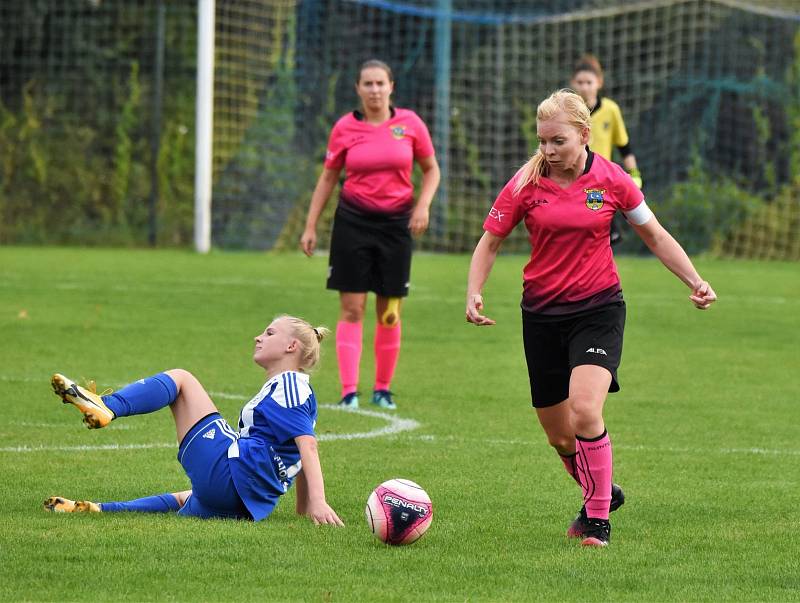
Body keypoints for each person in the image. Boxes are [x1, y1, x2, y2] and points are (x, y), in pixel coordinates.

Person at [465, 90, 716, 547]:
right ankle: (602, 490)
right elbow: (490, 241)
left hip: (598, 309)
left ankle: (597, 520)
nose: (547, 151)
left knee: (585, 410)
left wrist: (695, 280)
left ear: (584, 134)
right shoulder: (525, 184)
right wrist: (474, 292)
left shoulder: (613, 179)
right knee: (559, 436)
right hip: (540, 315)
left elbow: (655, 235)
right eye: (542, 141)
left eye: (557, 141)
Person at [43, 315, 344, 527]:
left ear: (291, 347)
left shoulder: (289, 384)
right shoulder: (295, 390)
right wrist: (305, 510)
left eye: (269, 333)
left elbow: (308, 446)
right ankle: (95, 509)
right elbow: (297, 450)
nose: (258, 337)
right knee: (183, 497)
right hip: (243, 505)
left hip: (233, 479)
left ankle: (107, 406)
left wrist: (317, 501)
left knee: (182, 380)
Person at [300, 59, 441, 411]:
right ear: (358, 89)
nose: (375, 90)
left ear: (391, 86)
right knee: (351, 309)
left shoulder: (409, 124)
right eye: (368, 84)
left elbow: (431, 169)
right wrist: (310, 225)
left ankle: (383, 389)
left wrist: (422, 205)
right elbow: (329, 177)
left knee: (389, 312)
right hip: (353, 224)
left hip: (396, 226)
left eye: (380, 83)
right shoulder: (345, 127)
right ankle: (349, 391)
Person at [571, 54, 642, 245]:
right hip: (571, 180)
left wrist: (634, 173)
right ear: (573, 83)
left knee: (602, 236)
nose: (584, 87)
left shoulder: (610, 110)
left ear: (599, 83)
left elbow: (624, 146)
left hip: (600, 183)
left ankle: (599, 272)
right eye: (580, 82)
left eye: (589, 82)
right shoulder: (567, 111)